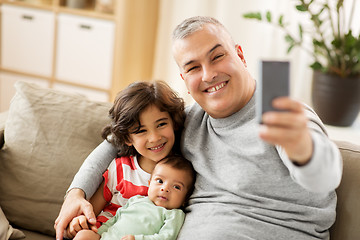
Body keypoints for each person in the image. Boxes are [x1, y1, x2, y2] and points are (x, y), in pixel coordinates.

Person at [55, 16, 342, 240]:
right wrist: (75, 194)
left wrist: (302, 149)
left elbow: (323, 175)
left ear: (240, 55)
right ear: (184, 79)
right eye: (193, 67)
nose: (208, 74)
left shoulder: (280, 113)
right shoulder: (189, 120)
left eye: (217, 56)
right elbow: (114, 142)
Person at [61, 80, 185, 239]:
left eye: (161, 124)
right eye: (141, 131)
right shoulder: (119, 168)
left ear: (173, 122)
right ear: (127, 138)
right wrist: (79, 222)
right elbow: (91, 212)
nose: (154, 138)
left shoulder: (180, 175)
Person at [67, 155, 195, 240]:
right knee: (84, 235)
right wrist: (99, 233)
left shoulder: (174, 214)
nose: (165, 188)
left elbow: (167, 237)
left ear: (185, 199)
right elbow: (115, 219)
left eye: (176, 187)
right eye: (160, 181)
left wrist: (137, 239)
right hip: (106, 237)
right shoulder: (137, 200)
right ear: (149, 184)